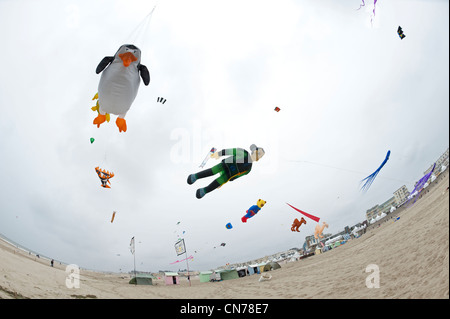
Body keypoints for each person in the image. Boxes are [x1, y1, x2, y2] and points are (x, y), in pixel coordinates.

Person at [187, 144, 265, 199]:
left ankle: (204, 190)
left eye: (260, 156)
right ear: (254, 151)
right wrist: (219, 153)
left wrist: (231, 179)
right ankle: (195, 176)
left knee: (218, 182)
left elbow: (238, 175)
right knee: (213, 171)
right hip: (225, 165)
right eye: (259, 153)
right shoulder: (244, 153)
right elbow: (230, 151)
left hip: (229, 175)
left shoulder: (249, 169)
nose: (259, 156)